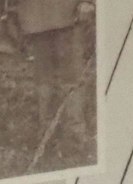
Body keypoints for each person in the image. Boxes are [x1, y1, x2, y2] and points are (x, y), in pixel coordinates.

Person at [19, 0, 95, 154]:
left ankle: (74, 139)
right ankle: (47, 138)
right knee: (44, 80)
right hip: (36, 16)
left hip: (69, 13)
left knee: (71, 77)